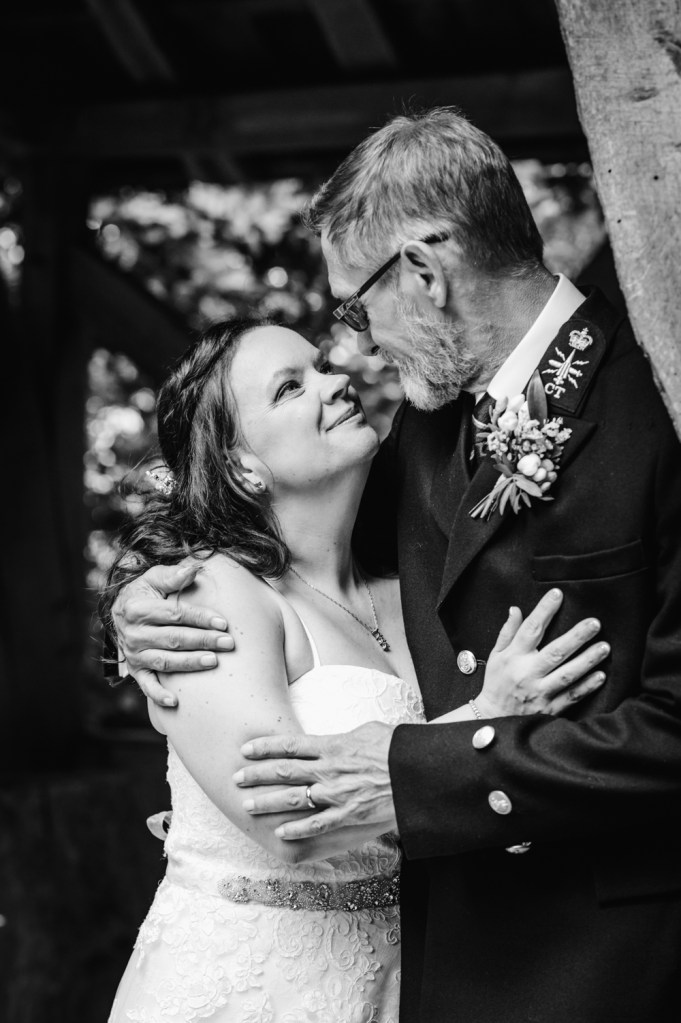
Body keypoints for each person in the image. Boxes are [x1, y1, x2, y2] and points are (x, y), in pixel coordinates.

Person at [112, 108, 681, 1023]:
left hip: (604, 964)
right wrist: (137, 600)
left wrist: (440, 765)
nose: (353, 345)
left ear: (423, 271)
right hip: (433, 960)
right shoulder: (422, 428)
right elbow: (273, 548)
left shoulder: (656, 406)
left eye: (353, 302)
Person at [103, 318, 605, 1023]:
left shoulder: (407, 583)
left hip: (394, 980)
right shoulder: (213, 593)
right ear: (242, 465)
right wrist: (487, 718)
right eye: (289, 387)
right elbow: (284, 819)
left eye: (319, 365)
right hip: (249, 987)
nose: (333, 381)